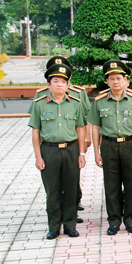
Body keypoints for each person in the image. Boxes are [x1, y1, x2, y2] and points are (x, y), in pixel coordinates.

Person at [88, 60, 132, 236]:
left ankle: (130, 220)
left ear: (126, 81)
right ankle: (114, 221)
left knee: (130, 184)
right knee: (111, 185)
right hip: (108, 145)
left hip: (130, 144)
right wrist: (96, 152)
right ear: (107, 81)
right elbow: (95, 127)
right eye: (111, 78)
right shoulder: (99, 102)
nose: (115, 81)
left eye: (119, 78)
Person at [29, 63, 88, 239]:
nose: (60, 85)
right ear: (48, 85)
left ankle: (70, 225)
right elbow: (35, 132)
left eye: (63, 82)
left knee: (71, 189)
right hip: (49, 151)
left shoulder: (76, 104)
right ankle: (54, 226)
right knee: (52, 191)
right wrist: (38, 156)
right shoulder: (39, 104)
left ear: (68, 85)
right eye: (56, 81)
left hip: (71, 150)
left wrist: (82, 153)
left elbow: (80, 129)